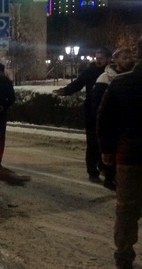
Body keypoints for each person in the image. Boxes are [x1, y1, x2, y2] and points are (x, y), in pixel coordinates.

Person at [97, 35, 142, 269]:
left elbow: (104, 120)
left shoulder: (121, 83)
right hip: (129, 154)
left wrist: (107, 150)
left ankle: (124, 255)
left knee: (127, 207)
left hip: (129, 156)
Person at [53, 47, 112, 181]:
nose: (98, 61)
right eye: (97, 58)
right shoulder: (90, 72)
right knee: (92, 143)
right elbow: (78, 84)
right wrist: (66, 90)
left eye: (101, 58)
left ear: (108, 59)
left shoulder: (112, 73)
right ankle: (92, 171)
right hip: (92, 112)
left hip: (109, 113)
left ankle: (105, 167)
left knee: (106, 142)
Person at [91, 48, 135, 191]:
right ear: (115, 60)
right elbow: (99, 106)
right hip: (113, 124)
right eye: (124, 58)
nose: (128, 61)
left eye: (130, 57)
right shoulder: (105, 78)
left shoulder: (133, 78)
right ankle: (110, 177)